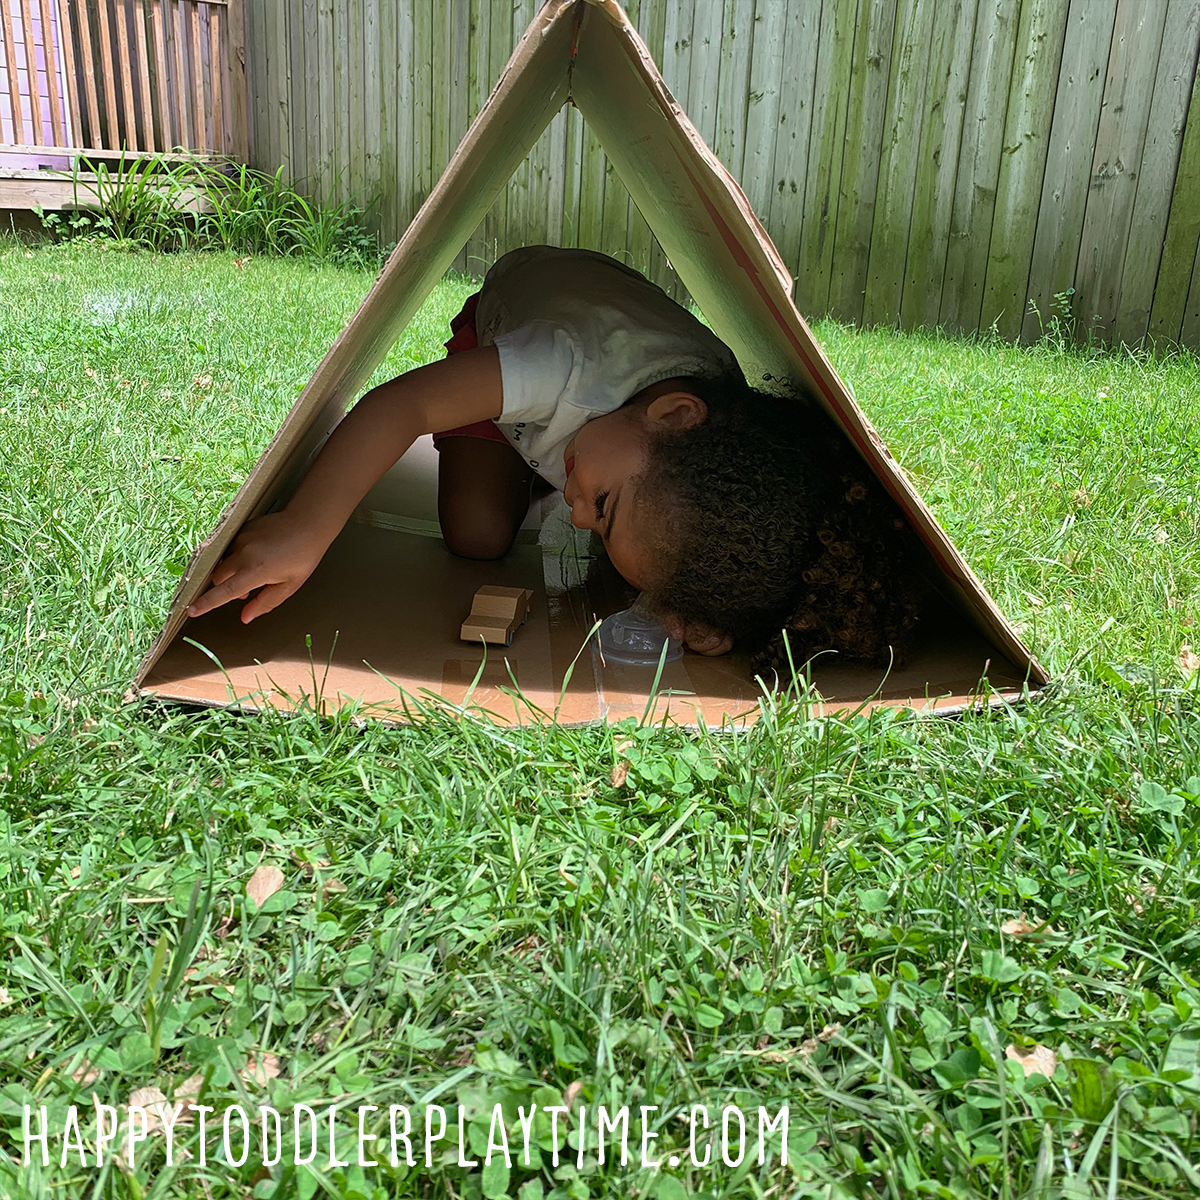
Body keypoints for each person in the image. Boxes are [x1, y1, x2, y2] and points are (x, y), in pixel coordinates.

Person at [187, 246, 925, 668]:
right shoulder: (561, 364)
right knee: (477, 536)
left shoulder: (708, 452)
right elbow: (397, 405)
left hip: (605, 411)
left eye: (594, 523)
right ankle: (528, 465)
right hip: (514, 315)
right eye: (602, 509)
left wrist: (688, 610)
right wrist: (307, 529)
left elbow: (681, 534)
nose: (575, 515)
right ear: (672, 417)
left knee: (614, 533)